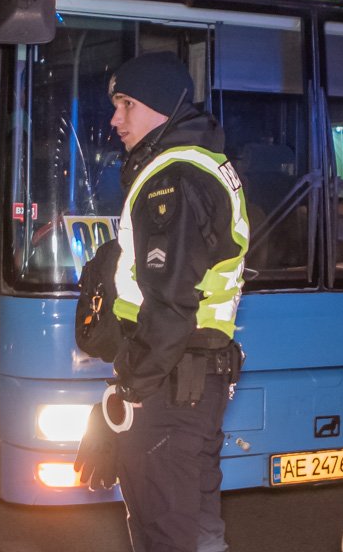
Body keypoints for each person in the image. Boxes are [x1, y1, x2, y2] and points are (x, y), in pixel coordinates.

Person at [98, 51, 249, 552]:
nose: (116, 118)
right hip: (194, 379)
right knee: (197, 525)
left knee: (163, 528)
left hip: (167, 385)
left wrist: (129, 390)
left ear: (162, 108)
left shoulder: (172, 178)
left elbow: (169, 305)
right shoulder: (203, 163)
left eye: (127, 104)